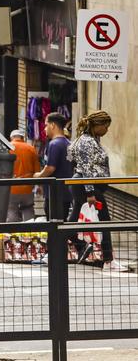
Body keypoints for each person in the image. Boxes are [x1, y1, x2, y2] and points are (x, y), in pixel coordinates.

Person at [65, 110, 127, 272]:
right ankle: (108, 260)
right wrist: (90, 192)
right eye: (105, 126)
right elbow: (85, 167)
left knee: (73, 220)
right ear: (97, 125)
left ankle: (62, 246)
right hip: (86, 186)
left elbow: (73, 161)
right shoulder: (87, 141)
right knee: (104, 220)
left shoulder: (87, 140)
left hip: (82, 184)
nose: (107, 130)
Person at [34, 112, 72, 220]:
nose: (45, 129)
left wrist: (38, 176)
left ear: (53, 125)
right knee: (62, 222)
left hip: (55, 193)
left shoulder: (54, 144)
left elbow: (50, 168)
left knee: (53, 223)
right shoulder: (69, 143)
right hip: (66, 192)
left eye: (46, 125)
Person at [7, 130, 39, 222]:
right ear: (23, 138)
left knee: (11, 209)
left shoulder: (7, 148)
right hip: (28, 187)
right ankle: (29, 229)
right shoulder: (31, 148)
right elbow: (37, 170)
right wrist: (39, 185)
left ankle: (12, 229)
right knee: (28, 209)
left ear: (12, 137)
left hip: (11, 187)